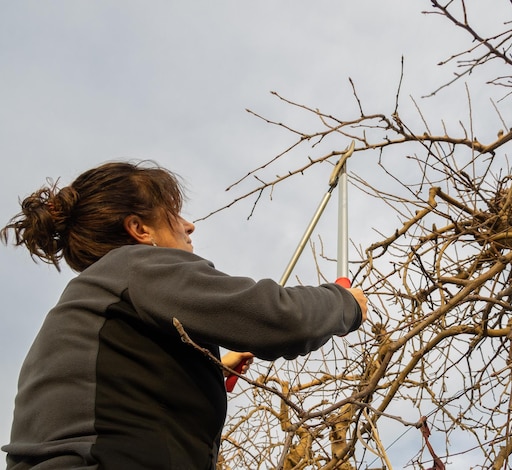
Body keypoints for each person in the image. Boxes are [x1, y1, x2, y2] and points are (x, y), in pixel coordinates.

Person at [0, 161, 368, 470]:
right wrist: (344, 303)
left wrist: (207, 368)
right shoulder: (136, 266)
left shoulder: (98, 298)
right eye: (172, 214)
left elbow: (113, 391)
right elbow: (279, 319)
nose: (189, 225)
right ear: (140, 229)